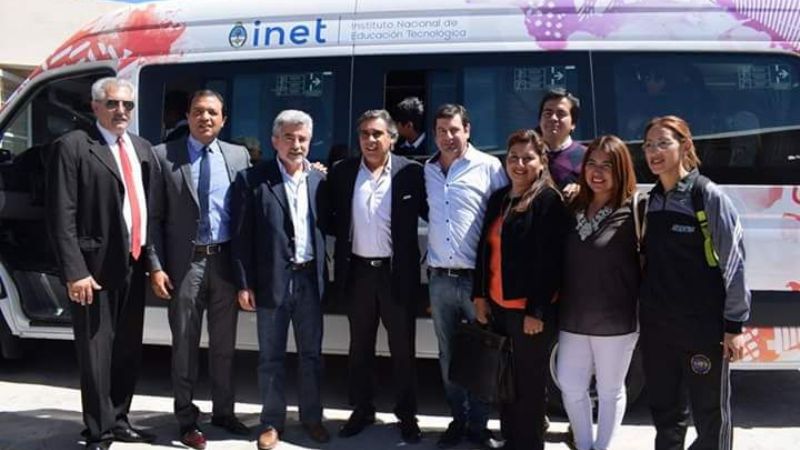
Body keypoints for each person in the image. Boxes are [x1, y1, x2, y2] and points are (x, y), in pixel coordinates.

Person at [46, 77, 156, 450]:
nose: (121, 111)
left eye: (127, 105)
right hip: (93, 270)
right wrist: (75, 271)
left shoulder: (141, 148)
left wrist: (152, 262)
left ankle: (120, 418)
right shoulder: (74, 147)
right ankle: (99, 429)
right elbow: (62, 215)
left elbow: (147, 211)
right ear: (95, 107)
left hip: (133, 263)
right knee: (96, 353)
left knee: (127, 348)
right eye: (112, 104)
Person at [148, 89, 251, 449]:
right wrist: (156, 266)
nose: (205, 118)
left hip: (224, 261)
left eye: (212, 112)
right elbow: (154, 218)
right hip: (185, 264)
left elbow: (247, 212)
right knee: (185, 345)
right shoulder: (164, 156)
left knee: (225, 345)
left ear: (224, 119)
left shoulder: (238, 156)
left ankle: (224, 412)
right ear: (188, 117)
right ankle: (187, 419)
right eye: (198, 112)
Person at [639, 116, 750, 450]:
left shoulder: (708, 197)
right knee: (665, 414)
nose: (653, 152)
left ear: (685, 146)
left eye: (663, 143)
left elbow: (734, 263)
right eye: (647, 145)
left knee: (710, 416)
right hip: (659, 328)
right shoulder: (650, 201)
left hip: (702, 329)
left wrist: (734, 326)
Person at [321, 109, 428, 443]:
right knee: (360, 347)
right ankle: (362, 409)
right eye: (365, 134)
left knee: (403, 349)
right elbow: (326, 216)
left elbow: (434, 212)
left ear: (392, 138)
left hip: (396, 274)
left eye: (377, 134)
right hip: (358, 273)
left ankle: (407, 414)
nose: (370, 140)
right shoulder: (342, 173)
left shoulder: (411, 172)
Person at [231, 110, 330, 450]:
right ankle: (271, 422)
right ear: (275, 140)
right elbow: (241, 237)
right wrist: (244, 283)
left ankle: (311, 417)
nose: (296, 144)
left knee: (311, 355)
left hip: (309, 280)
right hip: (272, 281)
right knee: (270, 357)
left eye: (302, 138)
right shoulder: (252, 179)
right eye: (289, 137)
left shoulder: (319, 180)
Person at [472, 129, 569, 450]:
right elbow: (483, 252)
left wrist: (536, 311)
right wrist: (480, 295)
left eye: (528, 158)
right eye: (513, 157)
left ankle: (528, 444)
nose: (519, 164)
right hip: (500, 308)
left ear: (542, 162)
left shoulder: (547, 200)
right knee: (505, 382)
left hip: (530, 314)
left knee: (529, 387)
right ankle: (511, 441)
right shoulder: (500, 198)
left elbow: (551, 263)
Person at [425, 103, 507, 448]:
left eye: (454, 129)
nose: (448, 136)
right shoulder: (425, 169)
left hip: (477, 281)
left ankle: (479, 424)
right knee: (448, 355)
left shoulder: (489, 167)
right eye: (442, 130)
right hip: (439, 279)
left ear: (468, 130)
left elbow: (504, 216)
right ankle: (458, 420)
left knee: (484, 354)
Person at [556, 135, 641, 450]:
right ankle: (584, 442)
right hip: (573, 316)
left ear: (621, 170)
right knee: (570, 384)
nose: (597, 171)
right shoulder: (572, 204)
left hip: (615, 320)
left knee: (609, 390)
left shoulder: (634, 208)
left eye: (607, 165)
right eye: (591, 163)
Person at [537, 89, 586, 198]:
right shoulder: (528, 156)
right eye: (548, 113)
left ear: (573, 123)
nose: (553, 118)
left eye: (561, 114)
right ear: (540, 120)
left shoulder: (587, 157)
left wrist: (582, 191)